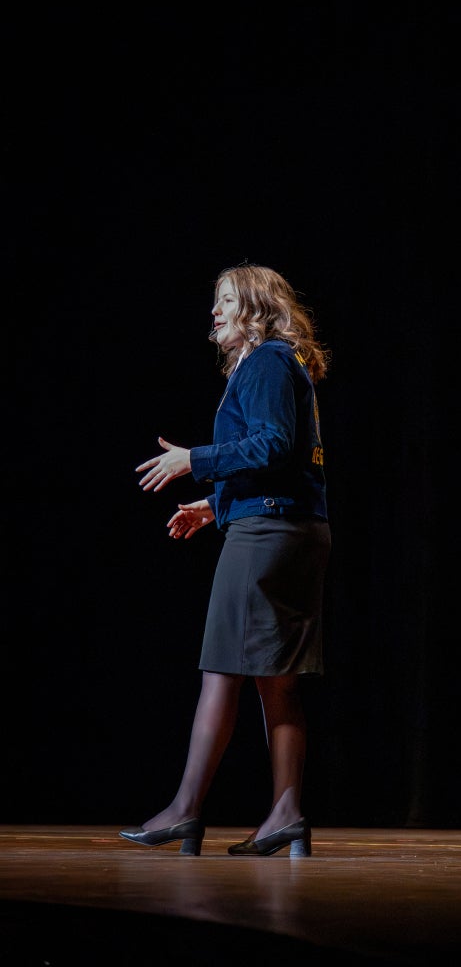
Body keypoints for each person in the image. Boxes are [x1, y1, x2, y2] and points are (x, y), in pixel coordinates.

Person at [119, 263, 331, 858]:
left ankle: (184, 811)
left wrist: (196, 459)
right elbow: (285, 461)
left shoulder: (264, 361)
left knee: (221, 669)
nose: (215, 311)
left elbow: (270, 445)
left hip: (267, 536)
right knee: (277, 681)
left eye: (226, 301)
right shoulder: (278, 365)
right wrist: (217, 506)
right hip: (291, 527)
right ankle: (285, 815)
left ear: (256, 309)